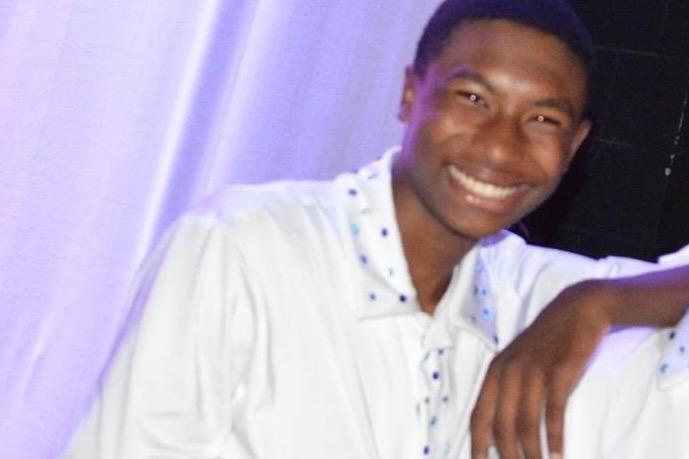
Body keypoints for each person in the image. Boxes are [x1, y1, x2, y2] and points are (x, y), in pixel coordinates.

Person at [62, 0, 689, 458]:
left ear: (575, 145)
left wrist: (596, 303)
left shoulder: (516, 283)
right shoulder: (245, 246)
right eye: (473, 99)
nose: (501, 147)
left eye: (543, 119)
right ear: (411, 94)